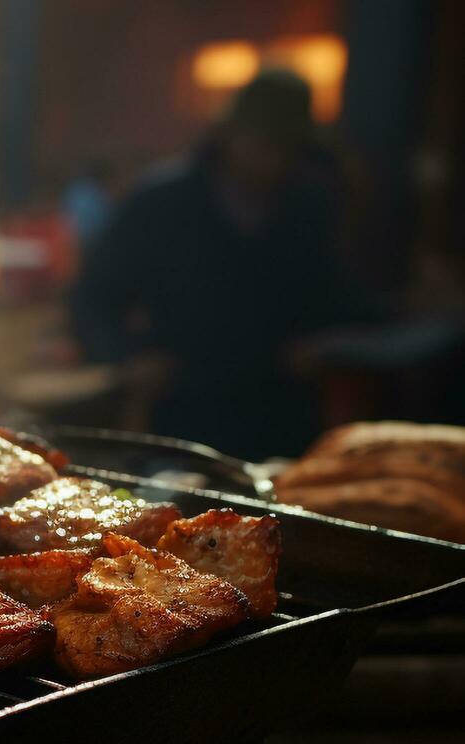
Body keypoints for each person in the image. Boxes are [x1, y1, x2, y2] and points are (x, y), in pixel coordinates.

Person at [70, 69, 381, 458]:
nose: (274, 158)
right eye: (264, 141)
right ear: (229, 134)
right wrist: (127, 357)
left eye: (287, 146)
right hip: (186, 409)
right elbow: (93, 297)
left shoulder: (310, 204)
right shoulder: (162, 202)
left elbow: (334, 294)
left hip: (284, 412)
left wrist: (328, 341)